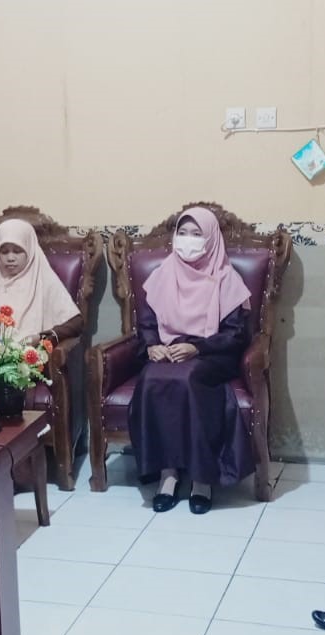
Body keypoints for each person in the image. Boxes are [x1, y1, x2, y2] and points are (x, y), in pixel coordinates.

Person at [129, 206, 254, 515]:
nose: (187, 240)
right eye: (182, 233)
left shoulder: (227, 278)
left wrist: (196, 348)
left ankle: (202, 479)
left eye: (196, 234)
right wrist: (152, 347)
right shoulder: (162, 274)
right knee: (151, 378)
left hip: (212, 355)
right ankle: (168, 474)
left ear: (211, 238)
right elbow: (146, 324)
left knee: (189, 378)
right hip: (167, 350)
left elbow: (236, 335)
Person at [0, 218, 82, 346]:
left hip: (31, 354)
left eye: (17, 251)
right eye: (4, 252)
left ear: (29, 250)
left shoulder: (44, 281)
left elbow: (75, 323)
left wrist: (41, 337)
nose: (10, 258)